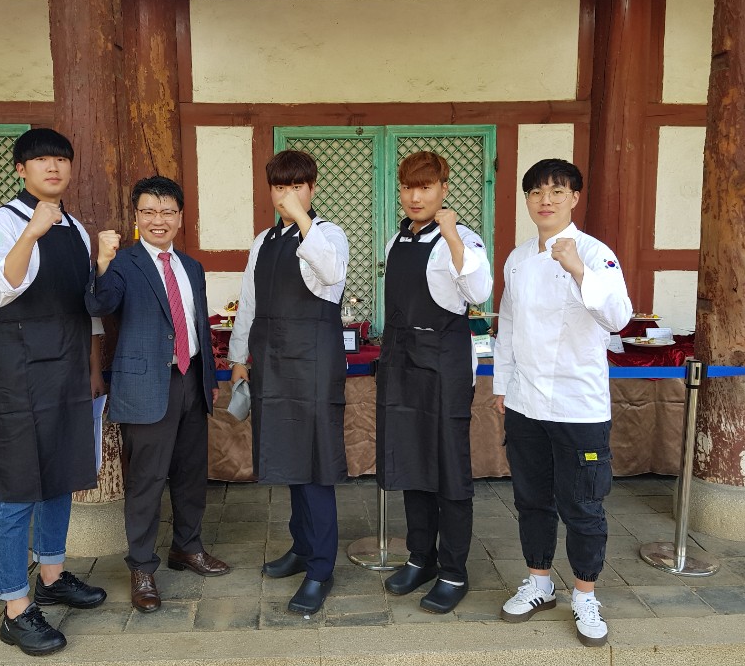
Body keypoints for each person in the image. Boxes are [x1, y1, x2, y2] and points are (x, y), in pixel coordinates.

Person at [0, 128, 107, 657]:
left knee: (61, 475)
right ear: (20, 169)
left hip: (70, 365)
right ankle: (14, 605)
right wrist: (31, 233)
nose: (52, 167)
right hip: (21, 370)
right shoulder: (2, 222)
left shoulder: (75, 227)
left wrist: (94, 366)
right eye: (40, 160)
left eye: (61, 159)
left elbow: (85, 305)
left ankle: (52, 576)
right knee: (17, 488)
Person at [493, 158, 632, 647]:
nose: (545, 200)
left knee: (582, 504)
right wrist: (503, 385)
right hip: (526, 401)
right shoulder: (517, 258)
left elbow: (618, 317)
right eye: (535, 192)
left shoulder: (595, 253)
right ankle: (539, 582)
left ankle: (585, 593)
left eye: (556, 191)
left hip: (578, 405)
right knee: (531, 499)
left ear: (574, 197)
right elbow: (509, 324)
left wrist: (577, 269)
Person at [85, 176, 229, 613]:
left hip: (191, 379)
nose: (158, 220)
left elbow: (197, 325)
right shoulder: (124, 264)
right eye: (148, 212)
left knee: (190, 474)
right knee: (146, 481)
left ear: (180, 217)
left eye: (167, 212)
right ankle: (142, 567)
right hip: (146, 385)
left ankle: (187, 547)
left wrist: (209, 378)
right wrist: (102, 261)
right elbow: (99, 305)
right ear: (136, 217)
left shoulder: (191, 266)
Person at [228, 149, 349, 616]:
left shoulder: (329, 234)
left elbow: (331, 275)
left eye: (297, 186)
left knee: (315, 465)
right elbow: (250, 300)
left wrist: (302, 220)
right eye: (280, 187)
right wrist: (239, 357)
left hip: (314, 364)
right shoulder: (263, 240)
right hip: (273, 361)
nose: (287, 195)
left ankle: (321, 568)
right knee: (288, 460)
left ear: (312, 188)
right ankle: (301, 547)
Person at [375, 151, 493, 614]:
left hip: (444, 366)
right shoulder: (397, 239)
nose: (415, 196)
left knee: (449, 470)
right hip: (402, 361)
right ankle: (419, 558)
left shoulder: (463, 238)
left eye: (425, 187)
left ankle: (453, 570)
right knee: (411, 462)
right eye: (408, 187)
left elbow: (479, 292)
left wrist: (451, 235)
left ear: (444, 188)